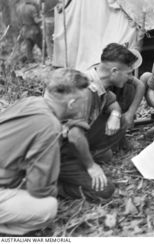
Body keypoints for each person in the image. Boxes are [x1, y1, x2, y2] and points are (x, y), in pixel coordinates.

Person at [0, 68, 89, 235]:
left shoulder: (31, 102)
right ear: (71, 103)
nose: (84, 105)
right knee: (47, 207)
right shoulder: (49, 126)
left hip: (7, 175)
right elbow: (39, 189)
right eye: (83, 101)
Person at [59, 43, 143, 202]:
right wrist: (91, 166)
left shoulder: (97, 80)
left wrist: (116, 114)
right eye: (128, 73)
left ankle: (80, 163)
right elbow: (75, 135)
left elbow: (113, 103)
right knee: (105, 191)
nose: (129, 77)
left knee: (121, 123)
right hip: (58, 154)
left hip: (70, 145)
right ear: (114, 72)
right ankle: (56, 185)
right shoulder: (85, 91)